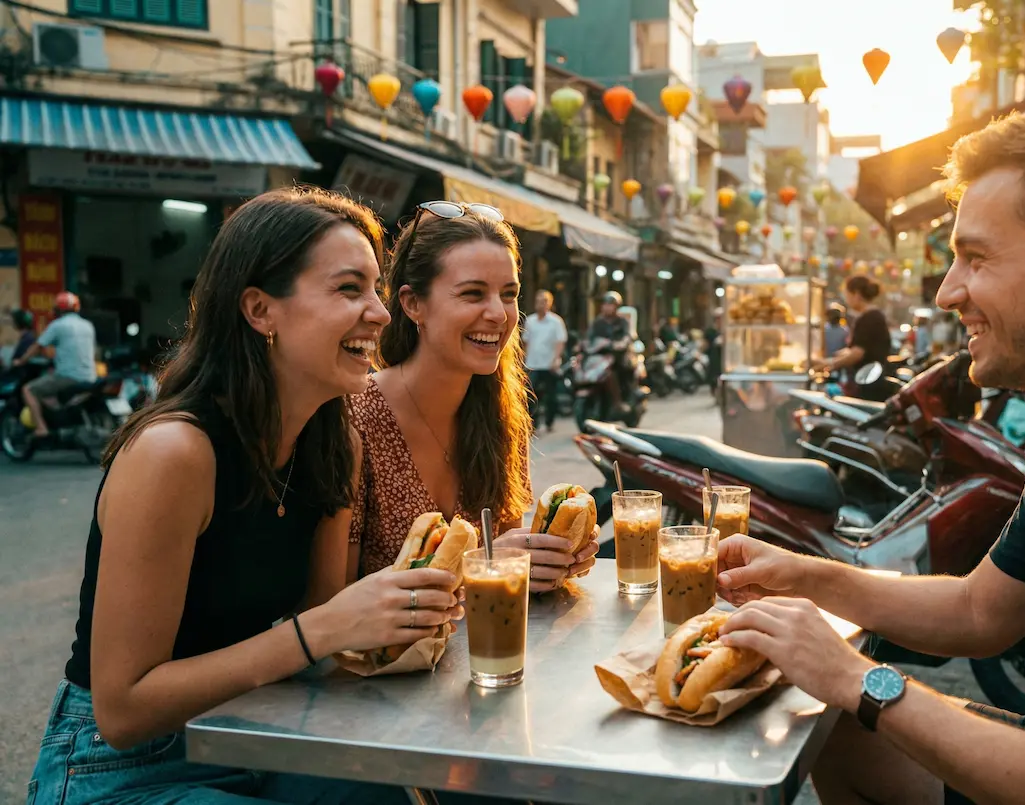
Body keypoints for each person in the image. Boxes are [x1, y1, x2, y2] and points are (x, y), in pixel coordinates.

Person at [715, 102, 1025, 804]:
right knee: (841, 731)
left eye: (976, 258)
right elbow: (980, 609)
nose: (948, 292)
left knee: (849, 707)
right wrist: (807, 577)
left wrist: (857, 677)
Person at [26, 188, 455, 804]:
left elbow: (329, 632)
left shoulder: (334, 441)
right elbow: (123, 710)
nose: (381, 313)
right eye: (348, 289)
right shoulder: (175, 453)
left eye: (377, 290)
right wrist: (320, 632)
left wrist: (416, 610)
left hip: (259, 733)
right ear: (260, 310)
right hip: (119, 769)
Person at [348, 201, 598, 596]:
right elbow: (330, 603)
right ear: (413, 304)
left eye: (509, 294)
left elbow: (508, 569)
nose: (499, 314)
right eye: (473, 294)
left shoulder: (501, 416)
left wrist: (548, 561)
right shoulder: (356, 419)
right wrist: (482, 564)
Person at [14, 292, 97, 437]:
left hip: (68, 377)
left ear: (58, 309)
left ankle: (41, 428)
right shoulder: (88, 325)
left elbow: (38, 346)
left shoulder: (57, 325)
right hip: (90, 376)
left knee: (28, 389)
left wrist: (21, 361)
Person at [813, 275, 892, 400]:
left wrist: (830, 364)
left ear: (856, 294)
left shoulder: (869, 318)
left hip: (868, 384)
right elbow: (855, 348)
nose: (846, 299)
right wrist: (829, 359)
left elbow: (857, 353)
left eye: (847, 294)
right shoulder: (871, 316)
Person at [522, 289, 568, 433]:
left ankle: (549, 421)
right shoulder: (530, 320)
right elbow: (526, 342)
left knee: (551, 396)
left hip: (549, 364)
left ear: (550, 303)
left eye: (544, 301)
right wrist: (523, 359)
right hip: (533, 363)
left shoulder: (556, 321)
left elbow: (560, 341)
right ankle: (533, 423)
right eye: (539, 301)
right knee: (530, 394)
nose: (541, 304)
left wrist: (556, 359)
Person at [587, 290, 633, 409]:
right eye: (605, 304)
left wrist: (622, 343)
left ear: (616, 307)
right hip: (600, 356)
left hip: (617, 356)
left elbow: (627, 336)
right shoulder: (598, 322)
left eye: (610, 305)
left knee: (620, 370)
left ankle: (621, 400)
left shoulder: (622, 321)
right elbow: (589, 337)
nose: (607, 307)